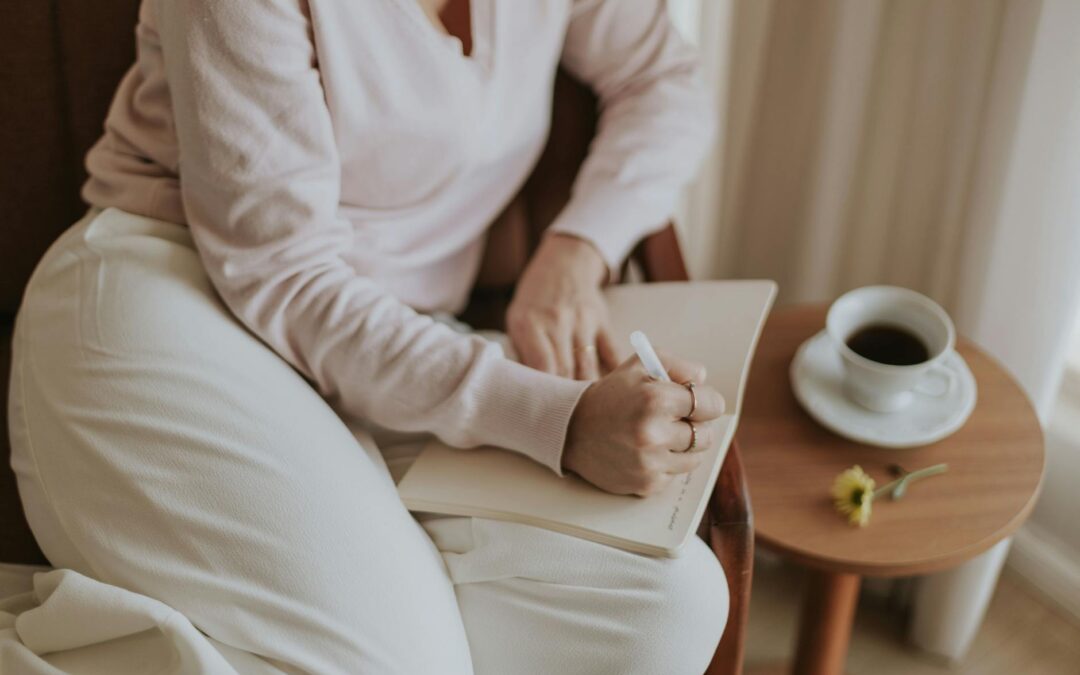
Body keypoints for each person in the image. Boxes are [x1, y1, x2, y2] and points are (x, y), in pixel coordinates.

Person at [8, 0, 728, 672]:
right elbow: (285, 276)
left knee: (666, 608)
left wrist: (578, 250)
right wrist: (556, 422)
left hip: (397, 342)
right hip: (178, 299)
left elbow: (662, 78)